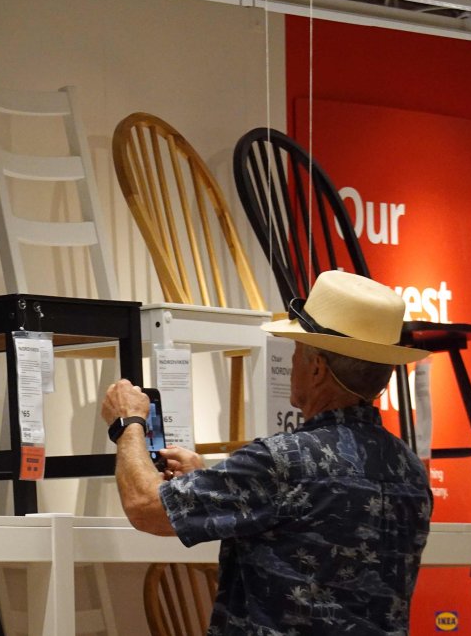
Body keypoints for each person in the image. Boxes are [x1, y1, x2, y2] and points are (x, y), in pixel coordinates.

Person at [102, 270, 433, 635]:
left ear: (317, 367)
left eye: (297, 351)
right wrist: (211, 477)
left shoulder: (284, 461)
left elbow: (146, 508)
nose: (292, 363)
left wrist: (128, 422)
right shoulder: (410, 470)